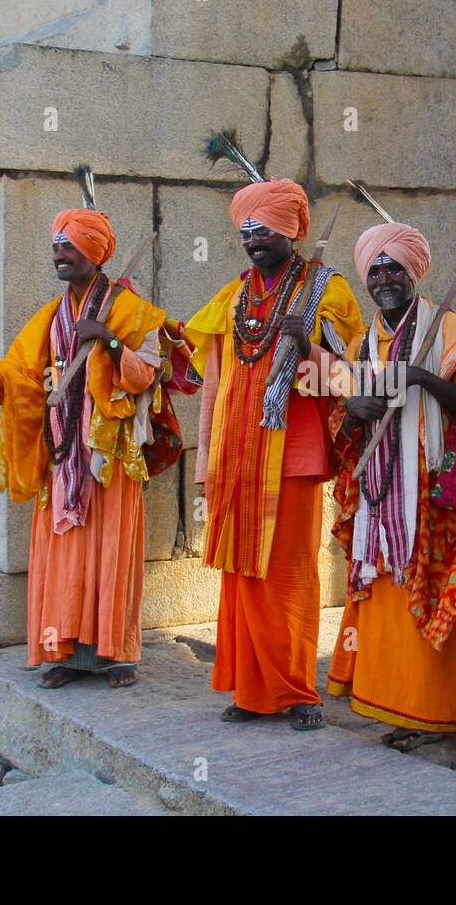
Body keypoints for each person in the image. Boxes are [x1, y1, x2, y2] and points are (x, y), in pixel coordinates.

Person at [0, 208, 178, 689]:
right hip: (61, 457)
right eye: (56, 245)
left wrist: (110, 342)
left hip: (110, 459)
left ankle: (116, 656)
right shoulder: (51, 316)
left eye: (69, 246)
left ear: (94, 253)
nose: (60, 254)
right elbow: (20, 371)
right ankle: (63, 654)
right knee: (63, 560)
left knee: (110, 555)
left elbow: (148, 374)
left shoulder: (129, 309)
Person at [323, 222, 456, 775]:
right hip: (383, 500)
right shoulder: (362, 342)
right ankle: (407, 714)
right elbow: (347, 414)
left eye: (393, 268)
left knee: (446, 614)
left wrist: (419, 378)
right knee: (389, 609)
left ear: (413, 272)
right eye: (375, 269)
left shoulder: (447, 330)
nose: (384, 278)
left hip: (438, 497)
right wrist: (355, 410)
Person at [185, 178, 364, 730]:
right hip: (236, 456)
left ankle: (297, 692)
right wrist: (205, 463)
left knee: (287, 575)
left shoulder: (327, 292)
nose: (254, 241)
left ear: (291, 231)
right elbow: (214, 386)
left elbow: (349, 380)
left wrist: (308, 343)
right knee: (241, 573)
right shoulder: (233, 297)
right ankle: (252, 691)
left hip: (293, 454)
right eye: (246, 232)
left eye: (264, 230)